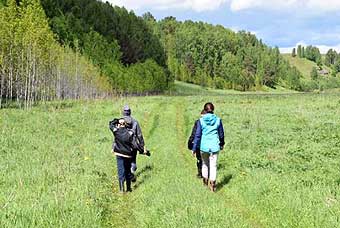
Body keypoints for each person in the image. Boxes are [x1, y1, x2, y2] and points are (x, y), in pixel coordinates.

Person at [192, 102, 225, 192]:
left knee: (205, 165)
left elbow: (197, 135)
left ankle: (205, 182)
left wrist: (194, 148)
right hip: (214, 146)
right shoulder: (218, 120)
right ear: (213, 110)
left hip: (204, 147)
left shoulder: (201, 121)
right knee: (213, 166)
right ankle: (213, 185)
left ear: (205, 110)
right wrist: (222, 144)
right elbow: (221, 134)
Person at [122, 105, 148, 181]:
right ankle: (131, 172)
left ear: (123, 112)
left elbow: (117, 134)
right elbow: (139, 135)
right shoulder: (135, 122)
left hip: (122, 146)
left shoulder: (119, 121)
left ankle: (126, 175)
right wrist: (143, 146)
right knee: (133, 161)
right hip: (133, 145)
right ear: (130, 112)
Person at [109, 118, 134, 193]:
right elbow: (134, 144)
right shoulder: (130, 133)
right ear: (125, 124)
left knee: (121, 170)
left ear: (119, 124)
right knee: (127, 170)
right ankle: (129, 188)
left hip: (119, 154)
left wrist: (116, 120)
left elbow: (110, 124)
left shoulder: (116, 131)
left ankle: (121, 189)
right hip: (128, 154)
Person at [187, 110, 206, 178]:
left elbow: (194, 133)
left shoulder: (198, 122)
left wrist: (190, 142)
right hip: (208, 144)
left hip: (199, 144)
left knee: (199, 159)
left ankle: (200, 173)